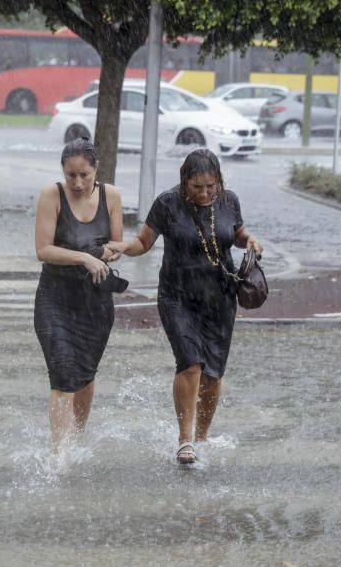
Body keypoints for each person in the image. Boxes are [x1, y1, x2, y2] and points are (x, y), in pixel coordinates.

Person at [107, 149, 263, 465]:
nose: (205, 193)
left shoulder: (229, 201)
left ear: (218, 181)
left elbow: (237, 232)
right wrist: (124, 246)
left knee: (213, 373)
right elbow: (143, 242)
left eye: (211, 186)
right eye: (197, 187)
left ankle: (203, 436)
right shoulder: (167, 204)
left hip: (220, 297)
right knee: (190, 362)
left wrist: (251, 240)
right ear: (184, 182)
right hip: (177, 296)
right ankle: (185, 439)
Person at [34, 139, 124, 452]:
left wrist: (103, 254)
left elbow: (117, 247)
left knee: (85, 375)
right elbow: (43, 250)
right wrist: (83, 257)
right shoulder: (52, 195)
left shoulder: (111, 196)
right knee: (62, 373)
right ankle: (60, 454)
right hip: (55, 298)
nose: (77, 182)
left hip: (95, 302)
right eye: (70, 175)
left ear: (96, 169)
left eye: (84, 175)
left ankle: (77, 438)